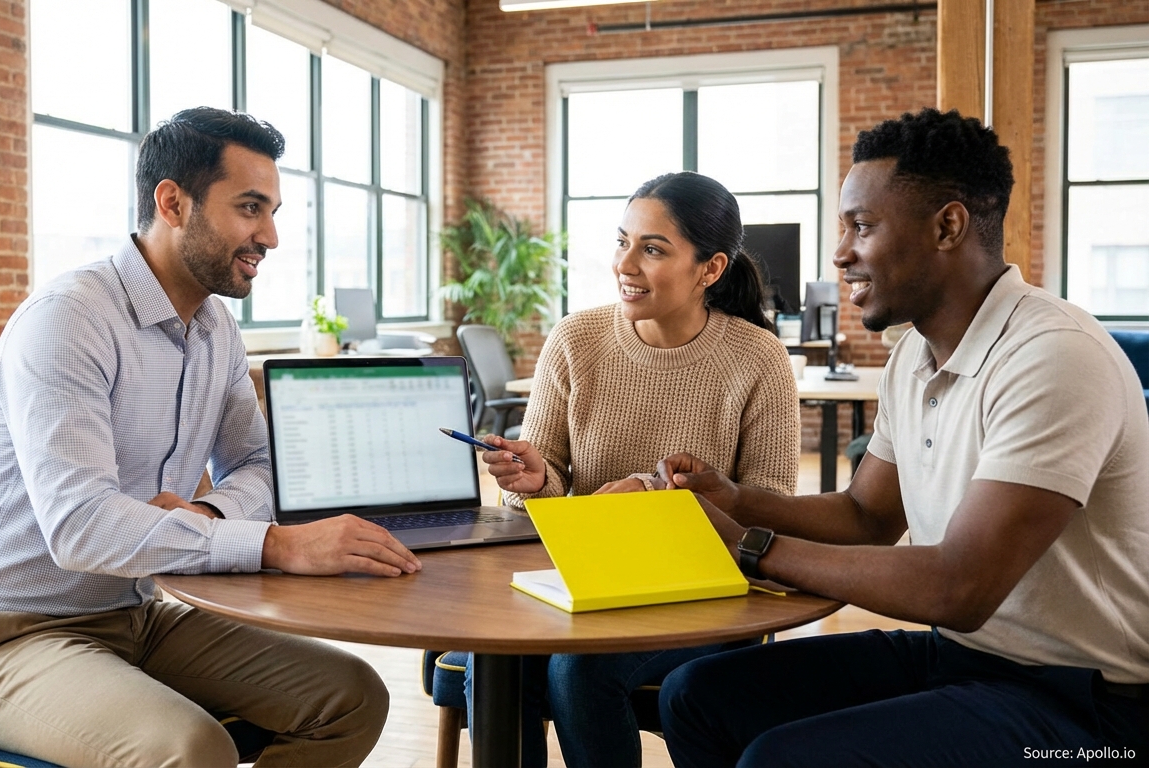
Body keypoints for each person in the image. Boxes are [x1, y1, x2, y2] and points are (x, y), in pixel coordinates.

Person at [0, 107, 422, 768]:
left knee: (352, 696)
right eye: (250, 207)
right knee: (192, 751)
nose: (269, 236)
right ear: (173, 203)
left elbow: (261, 463)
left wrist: (209, 514)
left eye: (273, 211)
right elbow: (80, 527)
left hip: (137, 615)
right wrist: (271, 544)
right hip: (7, 635)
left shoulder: (214, 328)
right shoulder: (69, 320)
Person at [653, 108, 1149, 766]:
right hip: (966, 656)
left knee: (787, 757)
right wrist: (738, 500)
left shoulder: (1054, 355)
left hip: (1090, 705)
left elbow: (959, 589)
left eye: (862, 226)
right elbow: (867, 516)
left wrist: (749, 546)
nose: (840, 252)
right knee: (698, 695)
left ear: (947, 225)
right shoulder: (914, 353)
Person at [472, 171, 801, 767]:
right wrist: (535, 480)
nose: (626, 263)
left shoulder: (758, 357)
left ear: (711, 269)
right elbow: (535, 505)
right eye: (622, 241)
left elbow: (769, 507)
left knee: (577, 670)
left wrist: (658, 498)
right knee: (492, 657)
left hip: (704, 590)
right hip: (581, 578)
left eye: (653, 249)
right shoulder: (576, 339)